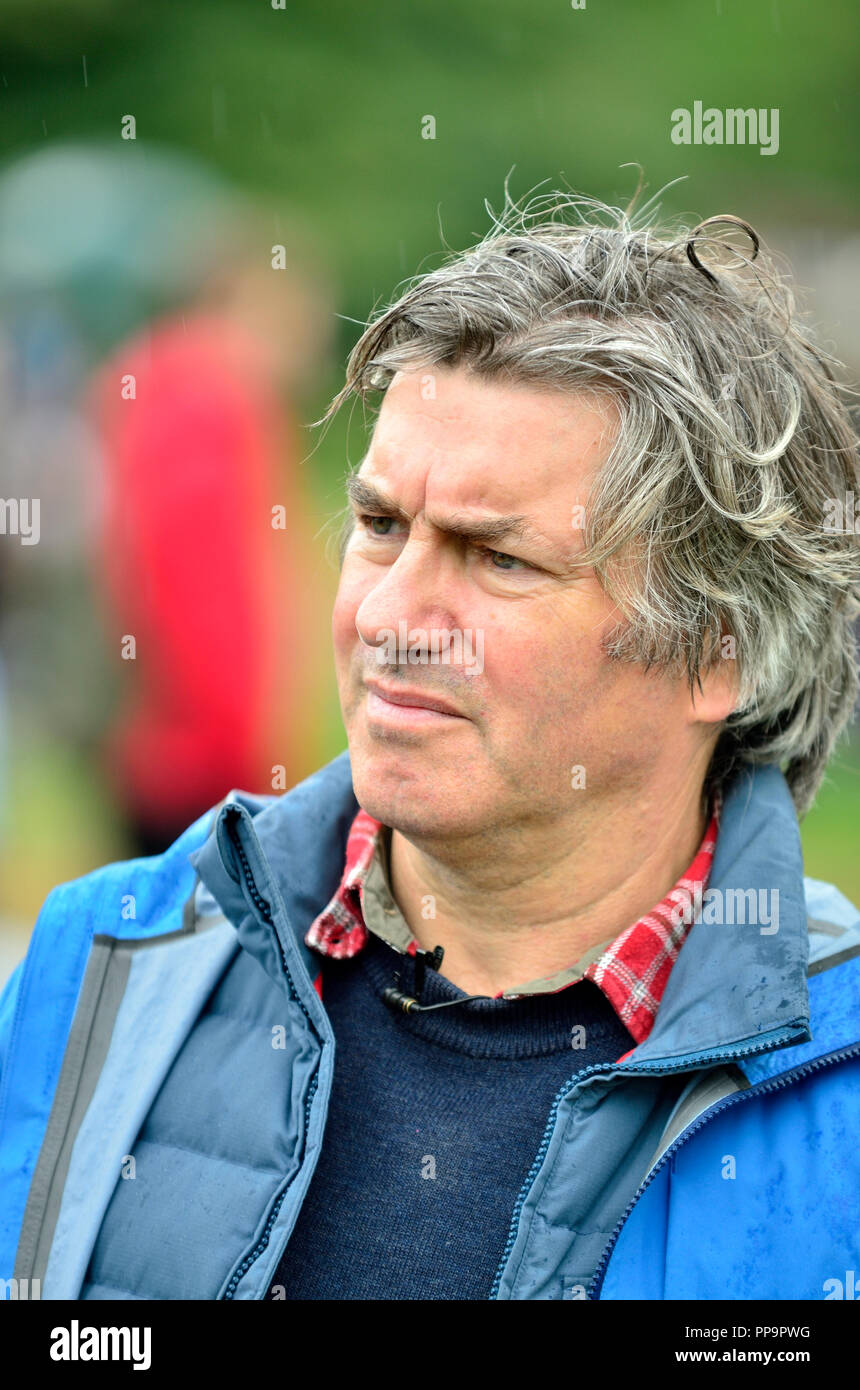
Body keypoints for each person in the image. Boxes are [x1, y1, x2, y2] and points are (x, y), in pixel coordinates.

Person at [1, 190, 859, 1302]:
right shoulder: (99, 966)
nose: (387, 615)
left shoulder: (832, 1071)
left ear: (717, 652)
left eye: (498, 558)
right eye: (378, 526)